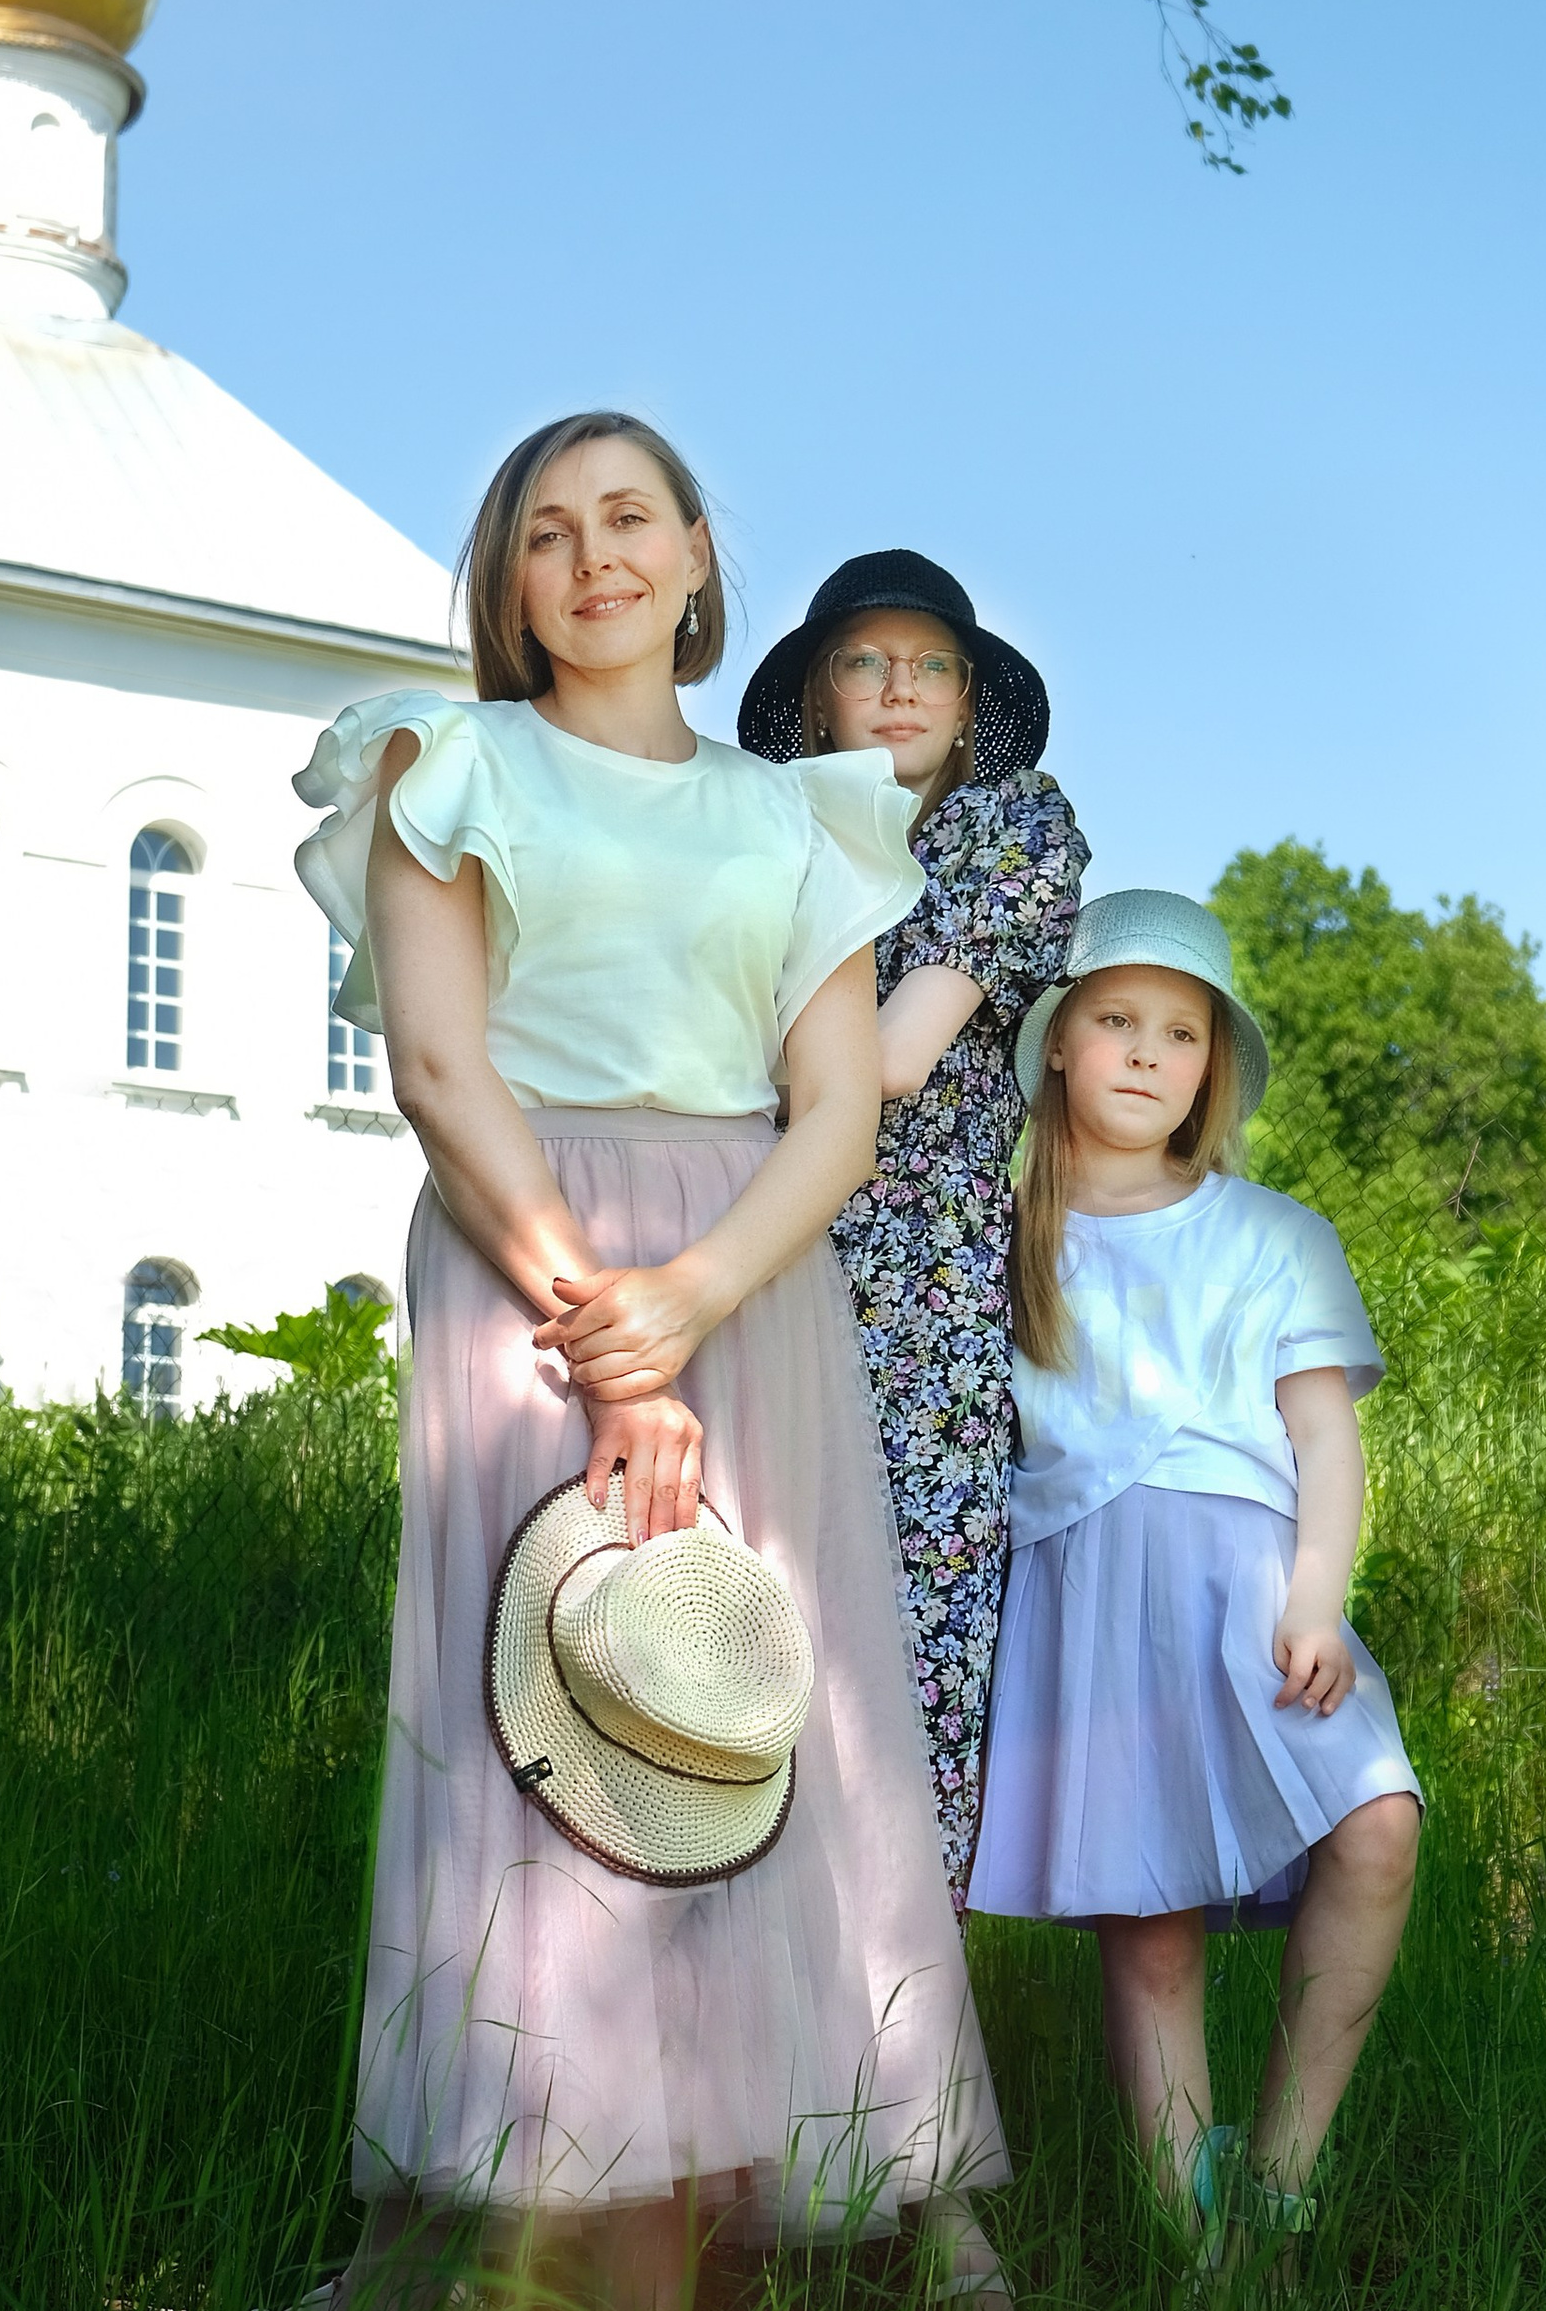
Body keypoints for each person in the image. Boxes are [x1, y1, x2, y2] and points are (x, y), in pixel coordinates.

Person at [294, 417, 1010, 2309]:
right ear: (509, 587)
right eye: (548, 533)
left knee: (736, 1724)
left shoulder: (803, 817)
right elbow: (443, 1072)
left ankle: (697, 2221)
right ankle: (564, 2213)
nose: (593, 556)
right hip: (528, 1260)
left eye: (630, 519)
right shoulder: (448, 766)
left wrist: (690, 1304)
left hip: (748, 1274)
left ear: (698, 559)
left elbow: (839, 1114)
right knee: (558, 1730)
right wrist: (614, 1350)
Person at [969, 888, 1421, 2264]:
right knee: (1153, 1930)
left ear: (1213, 1064)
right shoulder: (1002, 1235)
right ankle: (1195, 2252)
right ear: (1059, 1041)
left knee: (1378, 1826)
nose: (1149, 1053)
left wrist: (1316, 1595)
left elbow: (1322, 1435)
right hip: (1096, 1598)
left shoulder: (1274, 1233)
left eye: (1182, 1031)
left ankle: (1278, 2180)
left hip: (1253, 1586)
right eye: (1117, 1020)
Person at [737, 551, 1087, 1904]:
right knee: (747, 1613)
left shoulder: (1012, 829)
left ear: (966, 698)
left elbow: (885, 1062)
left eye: (930, 664)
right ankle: (738, 2013)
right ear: (816, 700)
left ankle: (894, 2035)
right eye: (864, 664)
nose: (900, 690)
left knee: (911, 1627)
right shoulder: (757, 834)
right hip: (754, 1241)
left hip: (922, 1284)